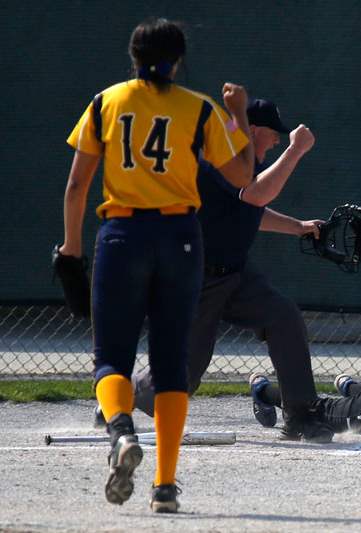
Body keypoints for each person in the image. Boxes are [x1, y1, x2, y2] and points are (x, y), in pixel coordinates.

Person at [60, 18, 254, 512]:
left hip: (122, 234)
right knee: (171, 365)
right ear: (179, 60)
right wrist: (239, 116)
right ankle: (164, 488)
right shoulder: (200, 109)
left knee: (111, 359)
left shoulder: (106, 102)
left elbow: (79, 185)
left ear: (133, 56)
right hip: (180, 238)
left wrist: (71, 250)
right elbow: (243, 177)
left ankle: (121, 430)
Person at [95, 98, 334, 443]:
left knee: (283, 316)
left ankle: (301, 416)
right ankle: (118, 396)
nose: (278, 140)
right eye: (273, 133)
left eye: (283, 138)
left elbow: (251, 210)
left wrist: (297, 226)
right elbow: (255, 196)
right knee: (183, 375)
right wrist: (296, 150)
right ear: (252, 131)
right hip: (196, 279)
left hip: (236, 274)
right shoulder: (221, 159)